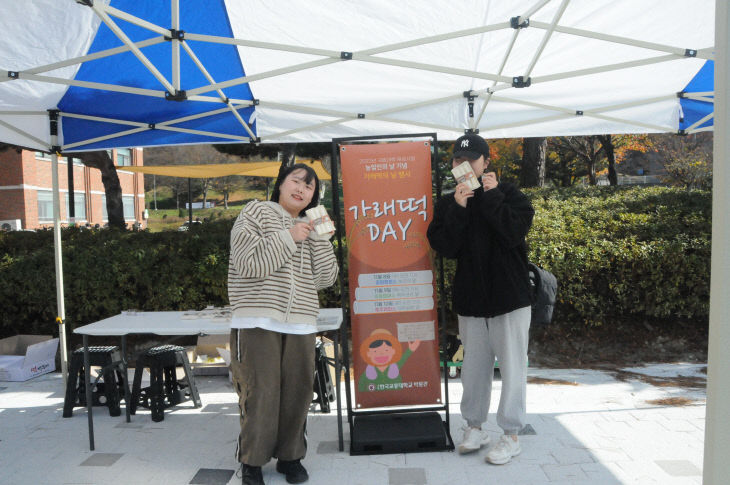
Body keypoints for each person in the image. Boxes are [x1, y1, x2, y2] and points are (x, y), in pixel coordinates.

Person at [228, 163, 339, 485]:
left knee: (298, 392)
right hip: (258, 317)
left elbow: (324, 278)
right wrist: (288, 236)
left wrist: (321, 239)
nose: (303, 189)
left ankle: (291, 457)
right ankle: (251, 462)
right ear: (281, 183)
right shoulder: (256, 212)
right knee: (260, 391)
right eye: (297, 181)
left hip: (301, 322)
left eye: (310, 187)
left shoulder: (310, 224)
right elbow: (247, 262)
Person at [427, 134, 534, 465]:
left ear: (486, 162)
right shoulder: (449, 202)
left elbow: (512, 232)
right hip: (471, 301)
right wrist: (459, 208)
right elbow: (444, 246)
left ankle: (512, 434)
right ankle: (474, 426)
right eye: (458, 161)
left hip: (510, 300)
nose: (463, 166)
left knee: (513, 367)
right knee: (472, 367)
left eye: (471, 160)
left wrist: (492, 196)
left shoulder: (511, 195)